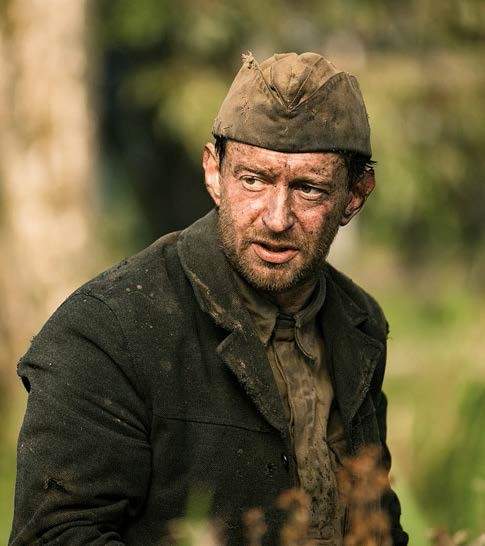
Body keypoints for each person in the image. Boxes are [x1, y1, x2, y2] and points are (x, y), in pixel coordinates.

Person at [10, 52, 408, 546]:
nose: (276, 218)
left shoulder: (356, 320)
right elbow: (55, 537)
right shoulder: (109, 330)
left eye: (309, 189)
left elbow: (374, 523)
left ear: (355, 194)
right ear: (214, 173)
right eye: (253, 180)